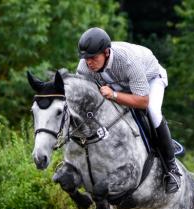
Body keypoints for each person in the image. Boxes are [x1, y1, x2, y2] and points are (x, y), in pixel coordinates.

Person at [77, 27, 181, 194]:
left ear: (106, 52)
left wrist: (114, 95)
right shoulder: (85, 66)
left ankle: (172, 169)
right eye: (86, 58)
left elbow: (143, 101)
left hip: (151, 78)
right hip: (121, 84)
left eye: (93, 58)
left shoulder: (127, 60)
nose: (89, 62)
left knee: (153, 111)